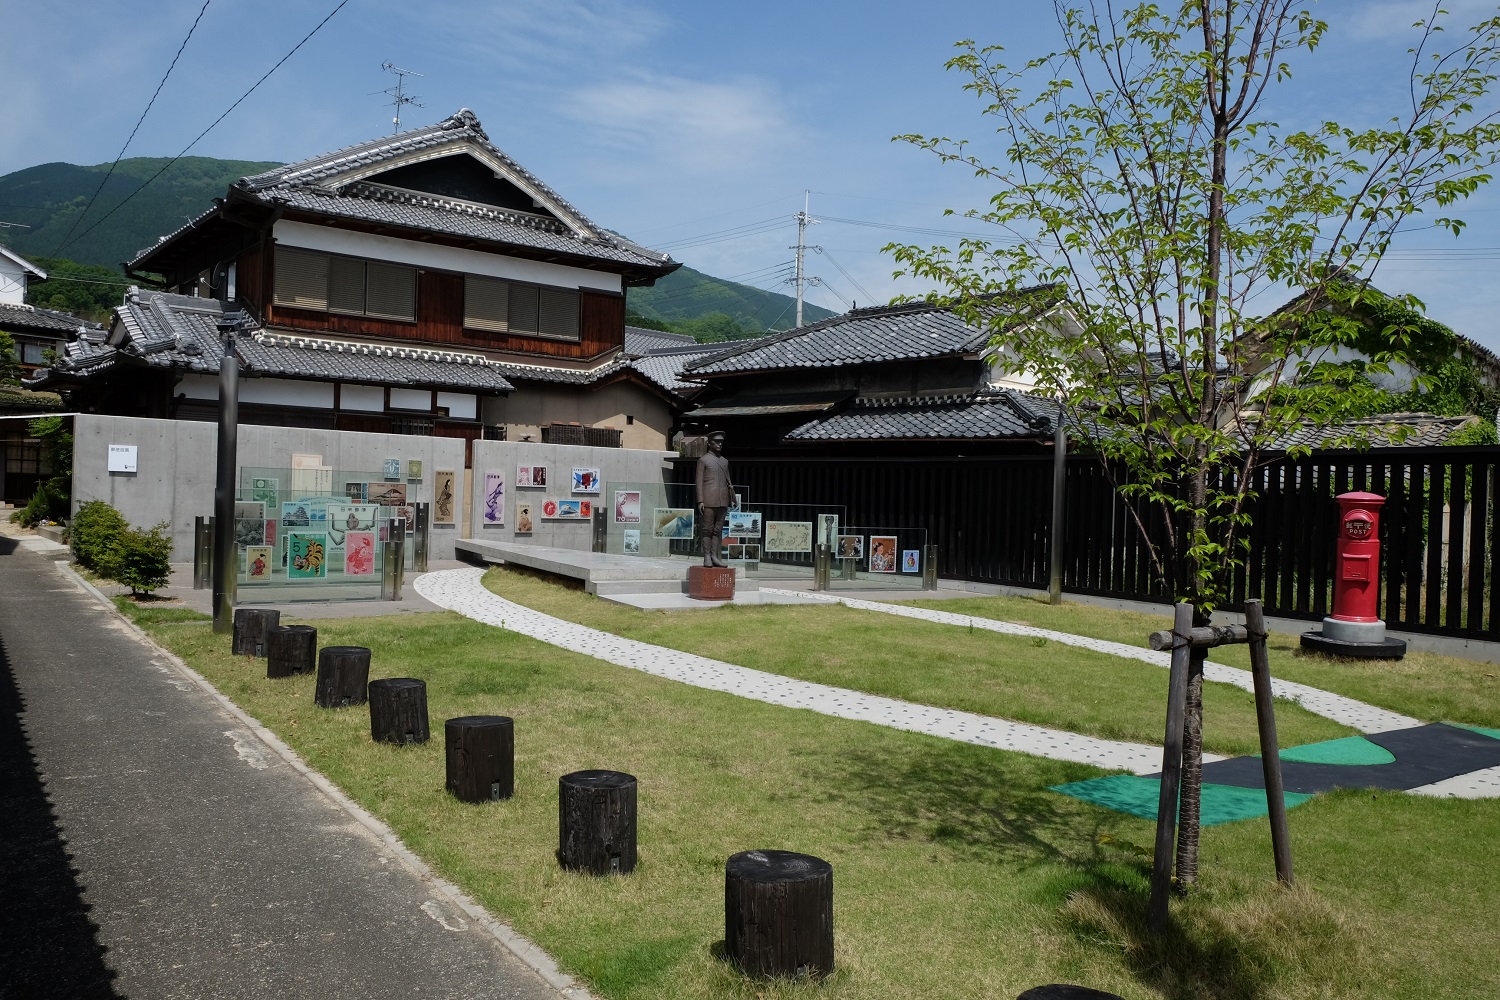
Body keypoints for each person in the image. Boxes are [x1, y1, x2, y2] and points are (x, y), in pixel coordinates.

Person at [695, 431, 733, 568]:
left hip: (723, 499)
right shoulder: (703, 460)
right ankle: (706, 556)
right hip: (708, 498)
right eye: (717, 441)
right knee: (707, 529)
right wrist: (700, 500)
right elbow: (698, 482)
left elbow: (729, 482)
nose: (720, 444)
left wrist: (730, 498)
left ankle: (714, 556)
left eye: (721, 441)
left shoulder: (725, 461)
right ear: (709, 443)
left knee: (718, 529)